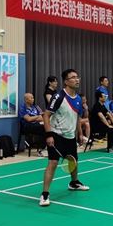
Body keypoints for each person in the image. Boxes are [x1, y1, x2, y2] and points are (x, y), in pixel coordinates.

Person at [40, 69, 89, 207]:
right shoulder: (58, 97)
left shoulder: (78, 98)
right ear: (66, 81)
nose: (77, 79)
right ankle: (45, 194)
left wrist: (80, 133)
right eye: (73, 77)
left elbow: (77, 117)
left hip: (70, 136)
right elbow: (46, 115)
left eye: (77, 77)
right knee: (53, 162)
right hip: (56, 135)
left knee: (73, 161)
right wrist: (49, 135)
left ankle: (74, 183)